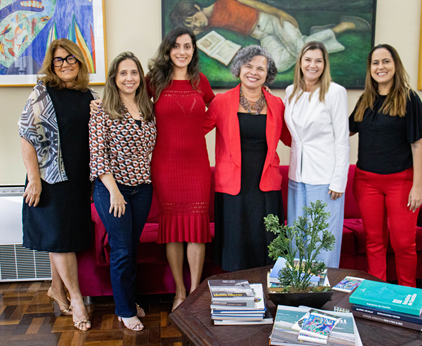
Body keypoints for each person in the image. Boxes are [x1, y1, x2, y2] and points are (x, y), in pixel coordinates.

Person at [18, 38, 98, 331]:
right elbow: (27, 135)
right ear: (52, 65)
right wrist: (34, 179)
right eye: (59, 60)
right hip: (50, 180)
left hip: (77, 180)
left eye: (71, 59)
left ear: (80, 62)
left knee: (63, 238)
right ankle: (76, 300)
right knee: (60, 237)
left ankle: (56, 288)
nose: (65, 65)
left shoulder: (88, 95)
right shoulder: (42, 94)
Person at [349, 44, 422, 287]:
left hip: (401, 182)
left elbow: (418, 145)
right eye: (375, 63)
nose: (380, 67)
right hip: (366, 182)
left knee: (404, 243)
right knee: (374, 242)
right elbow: (345, 131)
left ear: (395, 66)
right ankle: (377, 294)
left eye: (386, 61)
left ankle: (408, 297)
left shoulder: (409, 99)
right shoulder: (365, 100)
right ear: (370, 68)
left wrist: (417, 186)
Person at [204, 45, 291, 272]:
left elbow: (293, 139)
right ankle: (239, 298)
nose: (254, 72)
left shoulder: (277, 104)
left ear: (267, 73)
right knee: (236, 245)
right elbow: (196, 130)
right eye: (248, 66)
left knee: (268, 245)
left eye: (260, 68)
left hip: (266, 185)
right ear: (239, 68)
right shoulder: (221, 102)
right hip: (233, 185)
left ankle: (266, 293)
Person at [147, 27, 215, 311]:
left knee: (196, 229)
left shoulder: (202, 82)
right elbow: (132, 105)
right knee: (173, 229)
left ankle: (197, 292)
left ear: (193, 51)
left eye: (188, 46)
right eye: (176, 46)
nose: (182, 51)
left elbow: (217, 109)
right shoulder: (154, 82)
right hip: (165, 164)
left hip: (197, 165)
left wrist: (199, 129)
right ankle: (179, 292)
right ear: (168, 50)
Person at [89, 52, 156, 331]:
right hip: (111, 189)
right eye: (123, 73)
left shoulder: (148, 108)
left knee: (131, 247)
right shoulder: (101, 110)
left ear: (140, 77)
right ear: (114, 79)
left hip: (142, 189)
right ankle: (125, 310)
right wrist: (115, 192)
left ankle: (127, 300)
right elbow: (97, 155)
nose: (129, 78)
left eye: (134, 73)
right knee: (121, 250)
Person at [284, 41, 349, 269]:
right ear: (300, 62)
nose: (313, 65)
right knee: (297, 239)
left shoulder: (335, 92)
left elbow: (342, 139)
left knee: (322, 240)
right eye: (308, 60)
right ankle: (298, 292)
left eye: (318, 61)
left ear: (325, 64)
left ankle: (323, 294)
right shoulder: (291, 92)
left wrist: (339, 180)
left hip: (324, 179)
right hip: (297, 177)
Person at [169, 0, 370, 72]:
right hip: (261, 35)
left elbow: (256, 4)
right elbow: (191, 35)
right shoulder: (208, 23)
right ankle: (315, 36)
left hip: (271, 21)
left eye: (194, 18)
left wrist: (280, 14)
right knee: (280, 65)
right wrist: (190, 27)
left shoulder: (224, 1)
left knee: (301, 51)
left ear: (197, 7)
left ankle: (341, 27)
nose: (197, 24)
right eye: (192, 24)